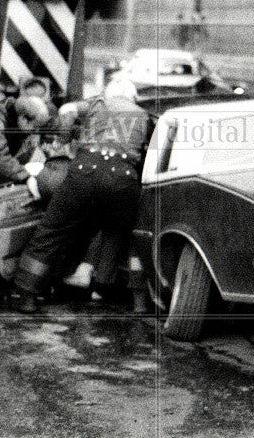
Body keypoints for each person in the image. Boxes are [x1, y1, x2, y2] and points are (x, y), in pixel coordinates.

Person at [10, 77, 151, 314]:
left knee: (51, 231)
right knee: (130, 234)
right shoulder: (143, 114)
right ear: (132, 97)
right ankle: (137, 301)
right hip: (123, 178)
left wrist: (63, 141)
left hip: (84, 172)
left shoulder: (98, 102)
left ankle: (27, 296)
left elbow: (67, 109)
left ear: (109, 92)